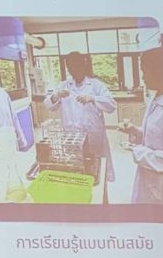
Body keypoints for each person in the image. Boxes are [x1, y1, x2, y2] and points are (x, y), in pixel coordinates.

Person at [43, 51, 118, 180]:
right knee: (75, 170)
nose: (73, 71)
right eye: (70, 68)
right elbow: (49, 105)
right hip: (72, 137)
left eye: (76, 67)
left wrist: (93, 98)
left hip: (93, 136)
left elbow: (111, 105)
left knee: (97, 172)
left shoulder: (96, 85)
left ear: (83, 65)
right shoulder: (64, 86)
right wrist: (57, 95)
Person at [120, 47, 163, 204]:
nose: (143, 76)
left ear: (159, 71)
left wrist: (137, 150)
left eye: (144, 71)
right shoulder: (157, 97)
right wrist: (136, 131)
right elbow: (156, 135)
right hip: (149, 177)